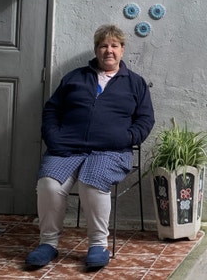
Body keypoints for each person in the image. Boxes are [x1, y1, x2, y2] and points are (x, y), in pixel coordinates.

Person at [25, 24, 155, 270]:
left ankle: (98, 245)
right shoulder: (75, 77)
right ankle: (48, 243)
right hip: (67, 148)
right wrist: (53, 137)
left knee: (92, 182)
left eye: (114, 46)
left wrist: (127, 137)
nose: (109, 50)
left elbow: (146, 119)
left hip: (111, 151)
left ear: (122, 50)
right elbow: (52, 109)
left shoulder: (135, 83)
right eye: (103, 45)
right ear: (96, 50)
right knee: (49, 184)